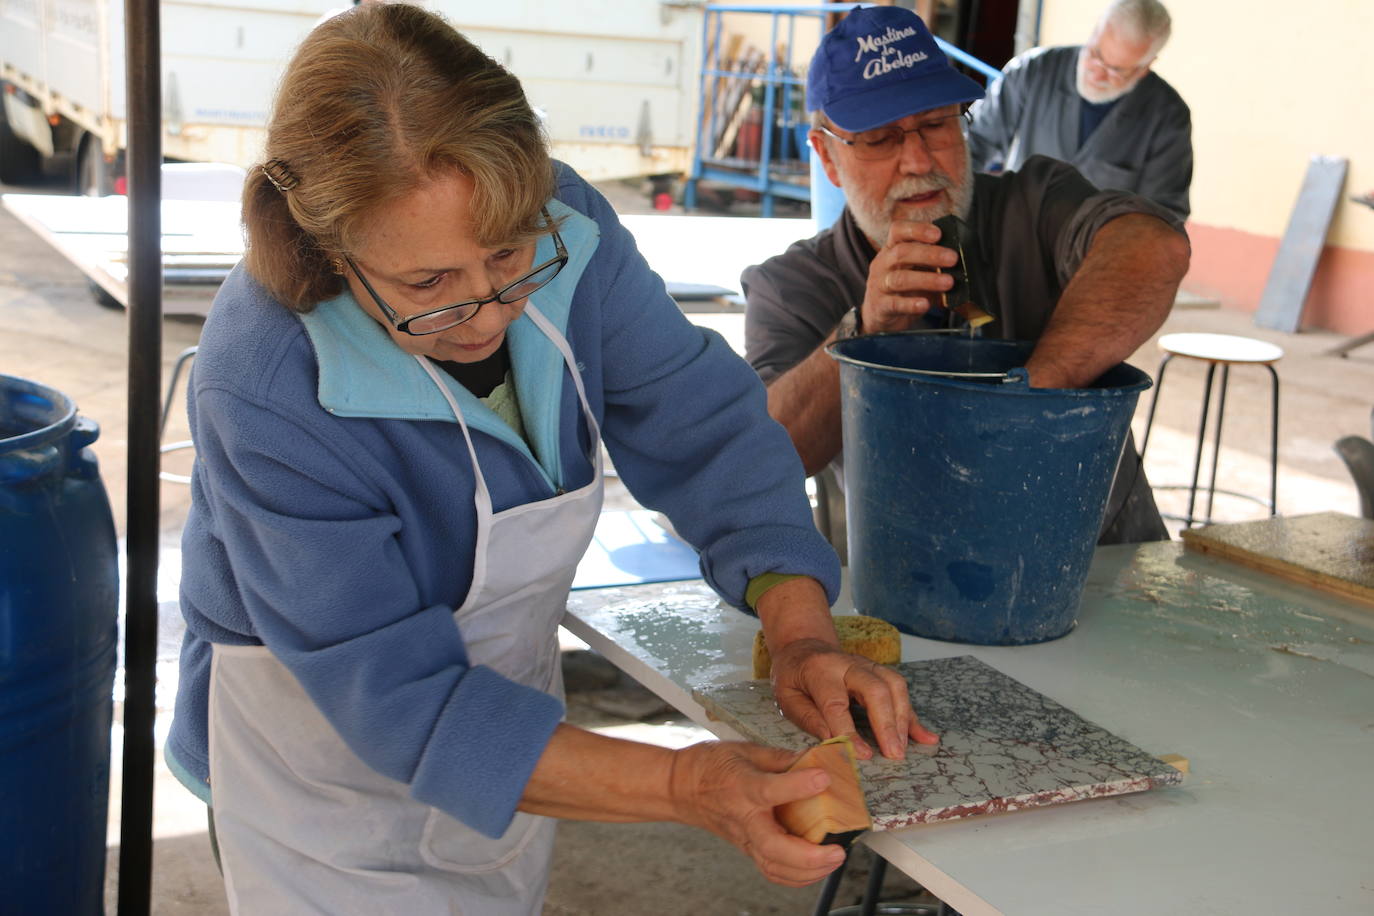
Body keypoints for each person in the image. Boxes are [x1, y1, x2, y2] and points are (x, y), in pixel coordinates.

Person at [163, 6, 938, 912]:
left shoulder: (570, 224)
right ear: (330, 249)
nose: (490, 312)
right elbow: (398, 699)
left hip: (512, 726)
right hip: (319, 767)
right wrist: (688, 787)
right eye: (428, 287)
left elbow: (706, 429)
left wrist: (802, 630)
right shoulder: (266, 378)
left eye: (509, 255)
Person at [742, 5, 1190, 546]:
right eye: (881, 138)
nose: (917, 159)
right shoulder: (790, 286)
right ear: (829, 159)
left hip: (1100, 559)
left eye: (936, 124)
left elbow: (1154, 248)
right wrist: (864, 334)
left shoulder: (1036, 202)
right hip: (901, 577)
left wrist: (1028, 398)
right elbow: (767, 459)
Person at [967, 0, 1192, 219]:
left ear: (1145, 67)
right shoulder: (1033, 71)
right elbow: (974, 144)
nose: (1097, 72)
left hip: (1101, 251)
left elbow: (1163, 214)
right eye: (1096, 54)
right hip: (1015, 230)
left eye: (1115, 70)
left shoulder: (1168, 117)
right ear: (1095, 32)